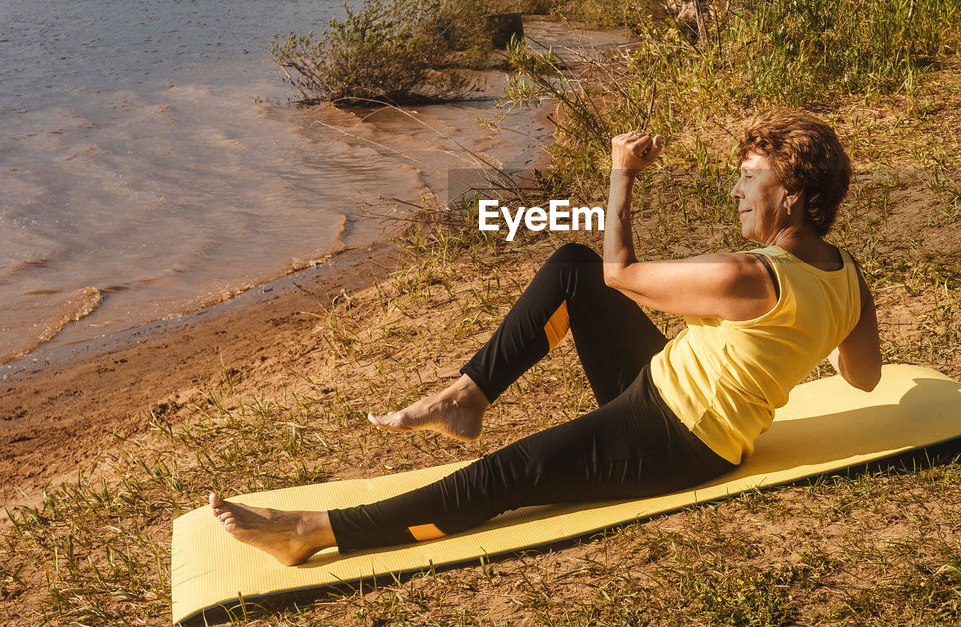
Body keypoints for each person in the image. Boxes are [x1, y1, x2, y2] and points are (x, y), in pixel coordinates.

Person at [210, 109, 882, 565]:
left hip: (680, 437)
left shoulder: (747, 275)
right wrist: (794, 335)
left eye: (749, 178)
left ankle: (311, 532)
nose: (736, 191)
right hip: (662, 386)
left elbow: (624, 272)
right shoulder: (847, 276)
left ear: (791, 195)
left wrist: (621, 173)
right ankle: (468, 394)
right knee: (572, 268)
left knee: (512, 473)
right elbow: (863, 376)